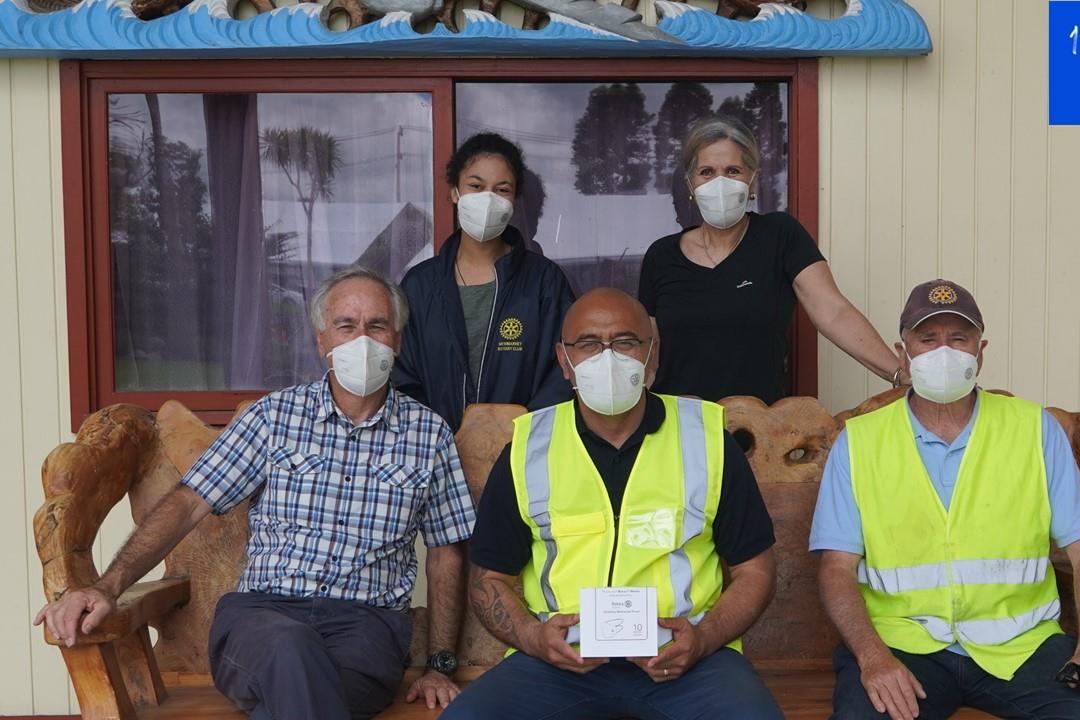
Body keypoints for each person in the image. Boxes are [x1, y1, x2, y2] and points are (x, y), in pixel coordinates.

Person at [34, 267, 477, 719]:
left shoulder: (428, 434)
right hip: (261, 617)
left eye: (377, 326)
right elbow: (189, 503)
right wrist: (107, 587)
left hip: (366, 629)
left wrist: (439, 665)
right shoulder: (274, 417)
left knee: (294, 690)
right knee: (290, 648)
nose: (362, 340)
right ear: (321, 341)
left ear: (397, 341)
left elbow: (446, 552)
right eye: (346, 325)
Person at [442, 288, 784, 720]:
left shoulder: (708, 441)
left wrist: (704, 638)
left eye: (625, 342)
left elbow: (755, 570)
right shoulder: (528, 449)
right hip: (557, 662)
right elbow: (488, 578)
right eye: (588, 344)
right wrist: (533, 638)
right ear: (564, 360)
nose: (607, 358)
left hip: (689, 660)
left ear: (652, 355)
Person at [810, 279, 1080, 720]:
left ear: (981, 352)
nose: (944, 352)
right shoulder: (859, 442)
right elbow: (836, 568)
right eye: (928, 339)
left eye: (959, 339)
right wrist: (872, 656)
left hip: (1023, 646)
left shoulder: (1034, 429)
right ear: (903, 353)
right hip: (902, 645)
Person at [638, 115, 901, 404]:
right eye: (707, 172)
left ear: (752, 180)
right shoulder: (662, 255)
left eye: (733, 171)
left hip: (759, 425)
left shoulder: (779, 236)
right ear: (690, 184)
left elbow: (833, 311)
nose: (720, 183)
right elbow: (646, 348)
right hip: (680, 422)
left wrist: (900, 374)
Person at [393, 132, 576, 432]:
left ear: (513, 200)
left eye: (501, 189)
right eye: (476, 186)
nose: (488, 199)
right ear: (455, 192)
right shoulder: (420, 285)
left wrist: (517, 434)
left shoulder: (544, 281)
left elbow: (564, 371)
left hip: (522, 449)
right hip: (433, 449)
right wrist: (436, 438)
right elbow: (402, 376)